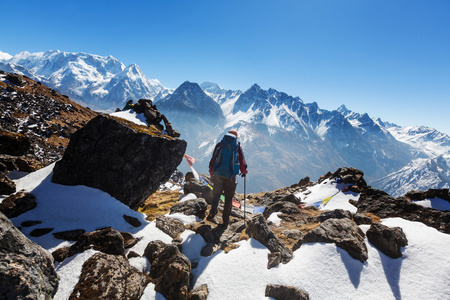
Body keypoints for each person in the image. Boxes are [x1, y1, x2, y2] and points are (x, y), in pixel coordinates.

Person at [207, 129, 248, 226]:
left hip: (218, 174)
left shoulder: (219, 145)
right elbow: (242, 161)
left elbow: (213, 160)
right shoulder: (237, 146)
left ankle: (213, 211)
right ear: (236, 137)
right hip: (230, 177)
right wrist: (244, 171)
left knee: (216, 194)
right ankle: (225, 219)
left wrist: (212, 173)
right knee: (229, 198)